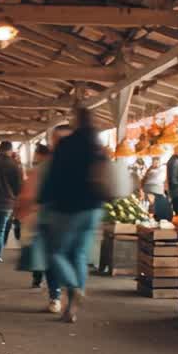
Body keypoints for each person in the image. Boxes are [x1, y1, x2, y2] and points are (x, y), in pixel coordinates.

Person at [39, 108, 106, 323]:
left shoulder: (66, 146)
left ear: (76, 123)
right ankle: (71, 310)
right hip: (94, 209)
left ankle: (74, 288)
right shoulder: (98, 147)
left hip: (68, 208)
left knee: (55, 253)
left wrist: (42, 200)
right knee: (78, 255)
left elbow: (53, 177)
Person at [17, 140, 65, 311]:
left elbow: (27, 196)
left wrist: (22, 212)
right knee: (53, 257)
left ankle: (45, 285)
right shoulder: (63, 170)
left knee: (42, 254)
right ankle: (56, 294)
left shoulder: (38, 171)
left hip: (41, 219)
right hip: (60, 220)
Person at [142, 156, 170, 221]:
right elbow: (144, 179)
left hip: (158, 188)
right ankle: (151, 217)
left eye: (157, 161)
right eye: (154, 161)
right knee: (152, 204)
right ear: (152, 162)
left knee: (156, 204)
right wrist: (142, 189)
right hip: (150, 188)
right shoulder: (150, 169)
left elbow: (166, 179)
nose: (155, 163)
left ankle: (155, 217)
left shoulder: (163, 168)